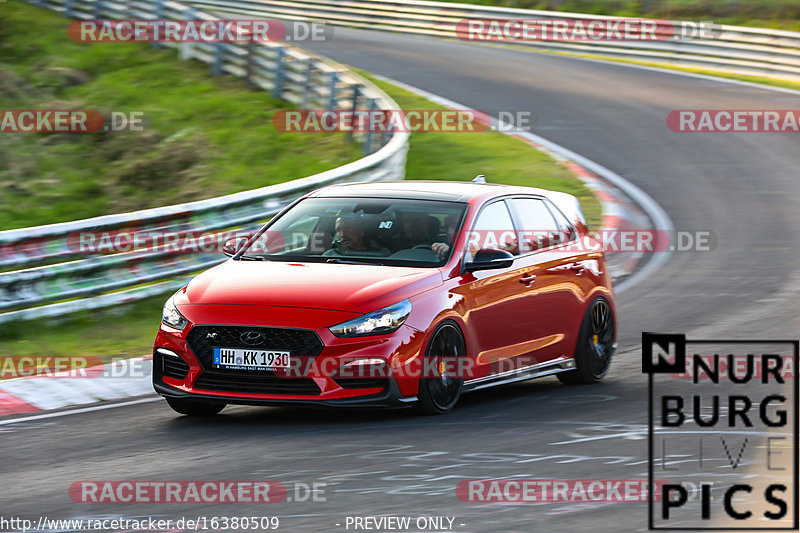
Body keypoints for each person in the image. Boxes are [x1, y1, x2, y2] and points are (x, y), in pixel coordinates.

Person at [323, 215, 388, 257]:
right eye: (338, 230)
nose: (343, 234)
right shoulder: (330, 256)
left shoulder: (382, 254)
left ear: (361, 231)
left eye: (348, 229)